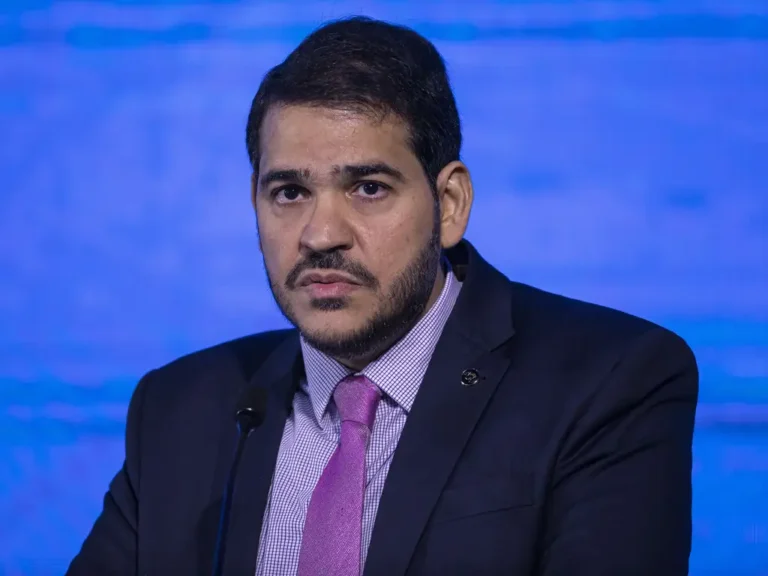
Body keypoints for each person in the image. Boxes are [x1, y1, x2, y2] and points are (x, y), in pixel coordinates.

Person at [66, 16, 699, 576]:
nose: (320, 235)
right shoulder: (182, 409)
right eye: (289, 192)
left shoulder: (607, 379)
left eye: (368, 187)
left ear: (449, 204)